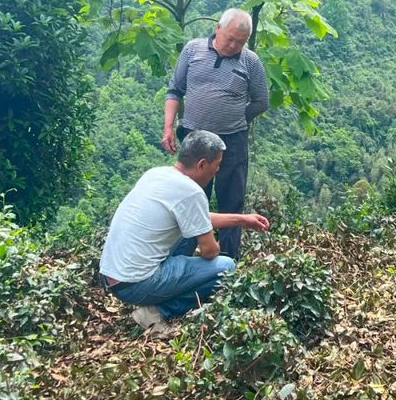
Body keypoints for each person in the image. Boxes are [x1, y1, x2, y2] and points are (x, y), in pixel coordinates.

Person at [99, 130, 270, 335]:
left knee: (188, 231)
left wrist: (242, 220)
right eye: (216, 166)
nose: (217, 171)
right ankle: (156, 311)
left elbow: (196, 217)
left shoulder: (156, 173)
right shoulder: (192, 192)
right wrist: (211, 242)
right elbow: (209, 252)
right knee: (226, 266)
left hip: (113, 276)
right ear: (201, 165)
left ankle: (169, 285)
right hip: (136, 285)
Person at [161, 8, 269, 259]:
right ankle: (181, 258)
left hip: (232, 142)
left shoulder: (250, 61)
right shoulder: (192, 50)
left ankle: (227, 264)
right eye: (229, 38)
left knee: (232, 200)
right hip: (194, 140)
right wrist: (168, 127)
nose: (233, 45)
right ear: (217, 28)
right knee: (188, 200)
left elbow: (261, 101)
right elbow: (175, 90)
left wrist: (236, 118)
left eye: (240, 42)